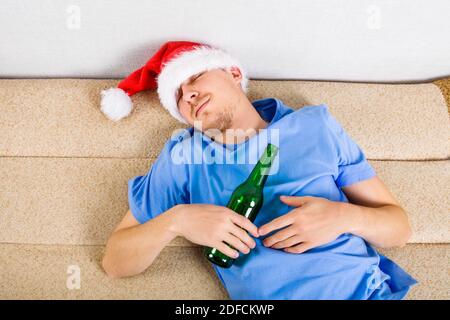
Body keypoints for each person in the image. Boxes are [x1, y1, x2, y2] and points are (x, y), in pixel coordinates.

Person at [100, 41, 417, 299]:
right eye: (178, 96)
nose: (189, 95)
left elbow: (399, 229)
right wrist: (176, 221)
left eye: (195, 77)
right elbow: (115, 261)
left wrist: (345, 216)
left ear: (234, 73)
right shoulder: (184, 154)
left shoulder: (314, 126)